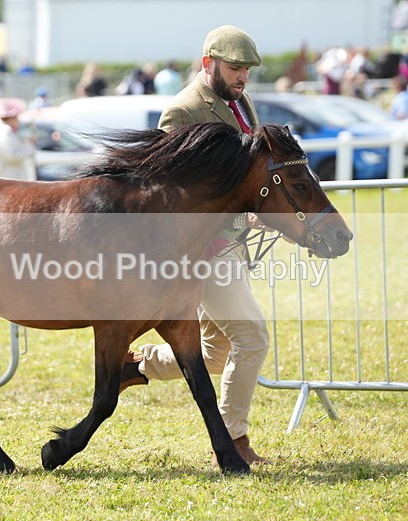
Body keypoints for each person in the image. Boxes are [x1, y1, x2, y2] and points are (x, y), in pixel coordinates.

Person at [123, 25, 270, 466]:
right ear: (209, 64)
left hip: (232, 241)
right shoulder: (182, 111)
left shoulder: (241, 103)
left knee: (213, 350)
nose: (243, 76)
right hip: (203, 250)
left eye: (246, 69)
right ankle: (233, 441)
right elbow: (170, 190)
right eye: (235, 68)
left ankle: (132, 366)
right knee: (251, 336)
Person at [0, 97, 37, 181]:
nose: (18, 120)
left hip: (4, 179)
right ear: (11, 117)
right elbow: (12, 155)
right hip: (5, 180)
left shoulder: (0, 129)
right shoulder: (4, 131)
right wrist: (30, 144)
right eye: (16, 117)